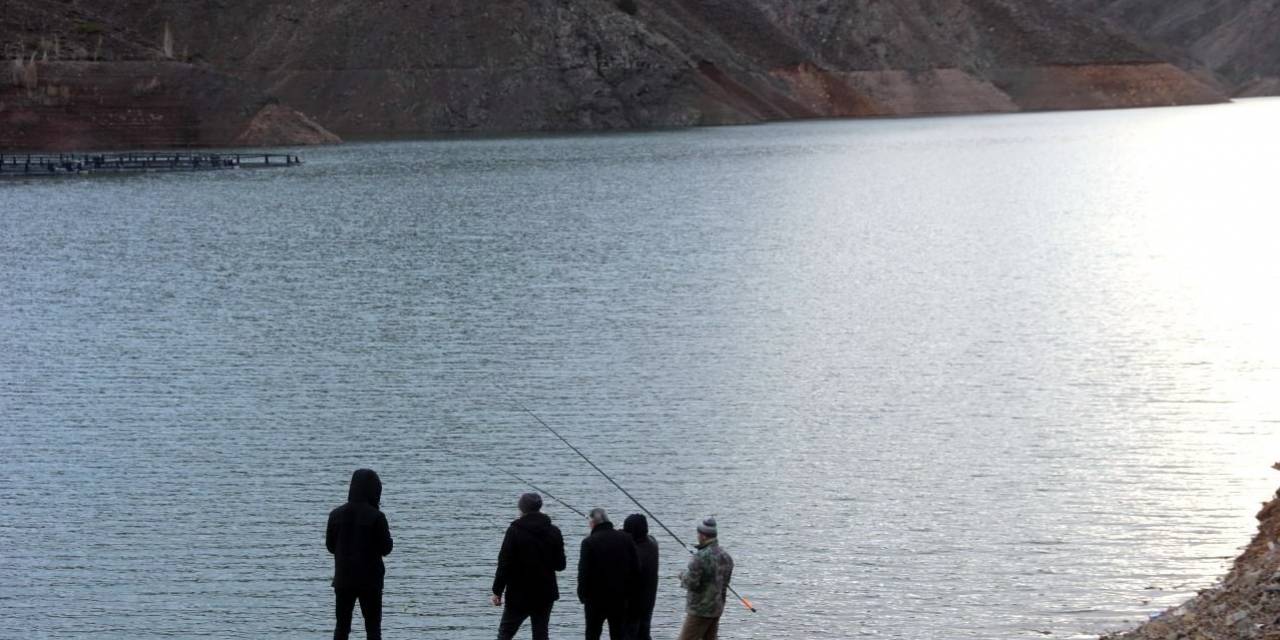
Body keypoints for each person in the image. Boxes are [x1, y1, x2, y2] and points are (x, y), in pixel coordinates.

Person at [326, 469, 394, 640]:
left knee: (341, 628)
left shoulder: (335, 515)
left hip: (343, 580)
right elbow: (386, 548)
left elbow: (330, 546)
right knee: (373, 629)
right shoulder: (377, 517)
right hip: (370, 582)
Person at [491, 492, 567, 640]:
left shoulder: (514, 531)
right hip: (545, 593)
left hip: (518, 594)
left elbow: (504, 564)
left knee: (505, 634)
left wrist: (497, 591)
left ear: (521, 509)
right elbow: (560, 565)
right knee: (541, 634)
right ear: (540, 507)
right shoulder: (554, 531)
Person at [577, 508, 639, 640]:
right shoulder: (626, 538)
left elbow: (583, 572)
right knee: (618, 634)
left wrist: (582, 595)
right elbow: (635, 568)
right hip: (620, 597)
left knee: (592, 634)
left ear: (593, 523)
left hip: (595, 599)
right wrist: (631, 593)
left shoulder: (589, 542)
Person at [677, 517, 734, 640]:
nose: (697, 536)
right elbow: (725, 584)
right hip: (717, 609)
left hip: (699, 611)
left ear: (703, 536)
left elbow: (691, 583)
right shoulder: (726, 557)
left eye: (698, 533)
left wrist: (682, 576)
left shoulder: (700, 557)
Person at [622, 514, 659, 640]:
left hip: (633, 605)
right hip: (649, 601)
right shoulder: (653, 543)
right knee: (644, 634)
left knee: (629, 635)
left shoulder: (635, 553)